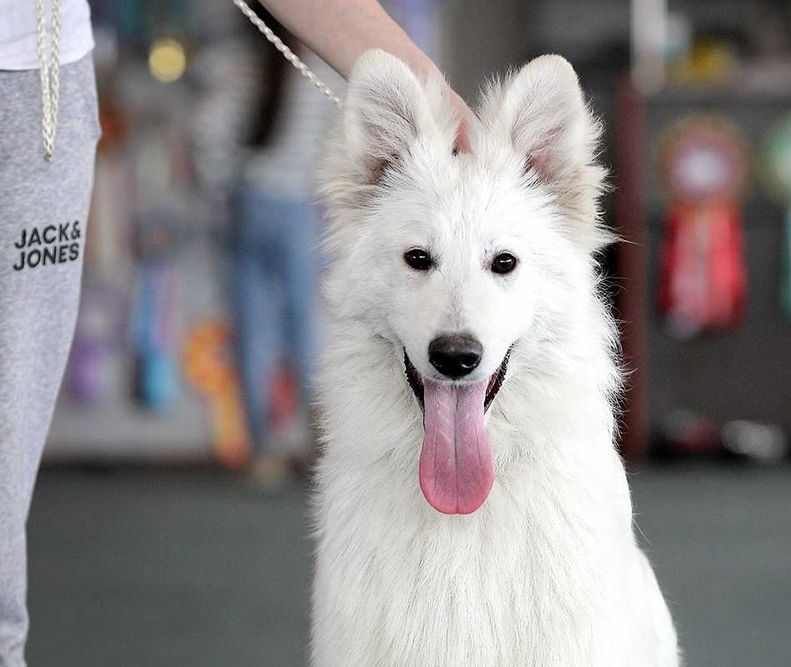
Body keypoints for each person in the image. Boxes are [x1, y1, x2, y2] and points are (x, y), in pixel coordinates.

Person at [0, 1, 470, 664]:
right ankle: (311, 439)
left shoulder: (235, 71)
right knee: (300, 329)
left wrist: (224, 195)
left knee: (254, 333)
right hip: (295, 208)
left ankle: (261, 450)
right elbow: (337, 155)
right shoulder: (307, 79)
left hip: (235, 193)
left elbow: (210, 135)